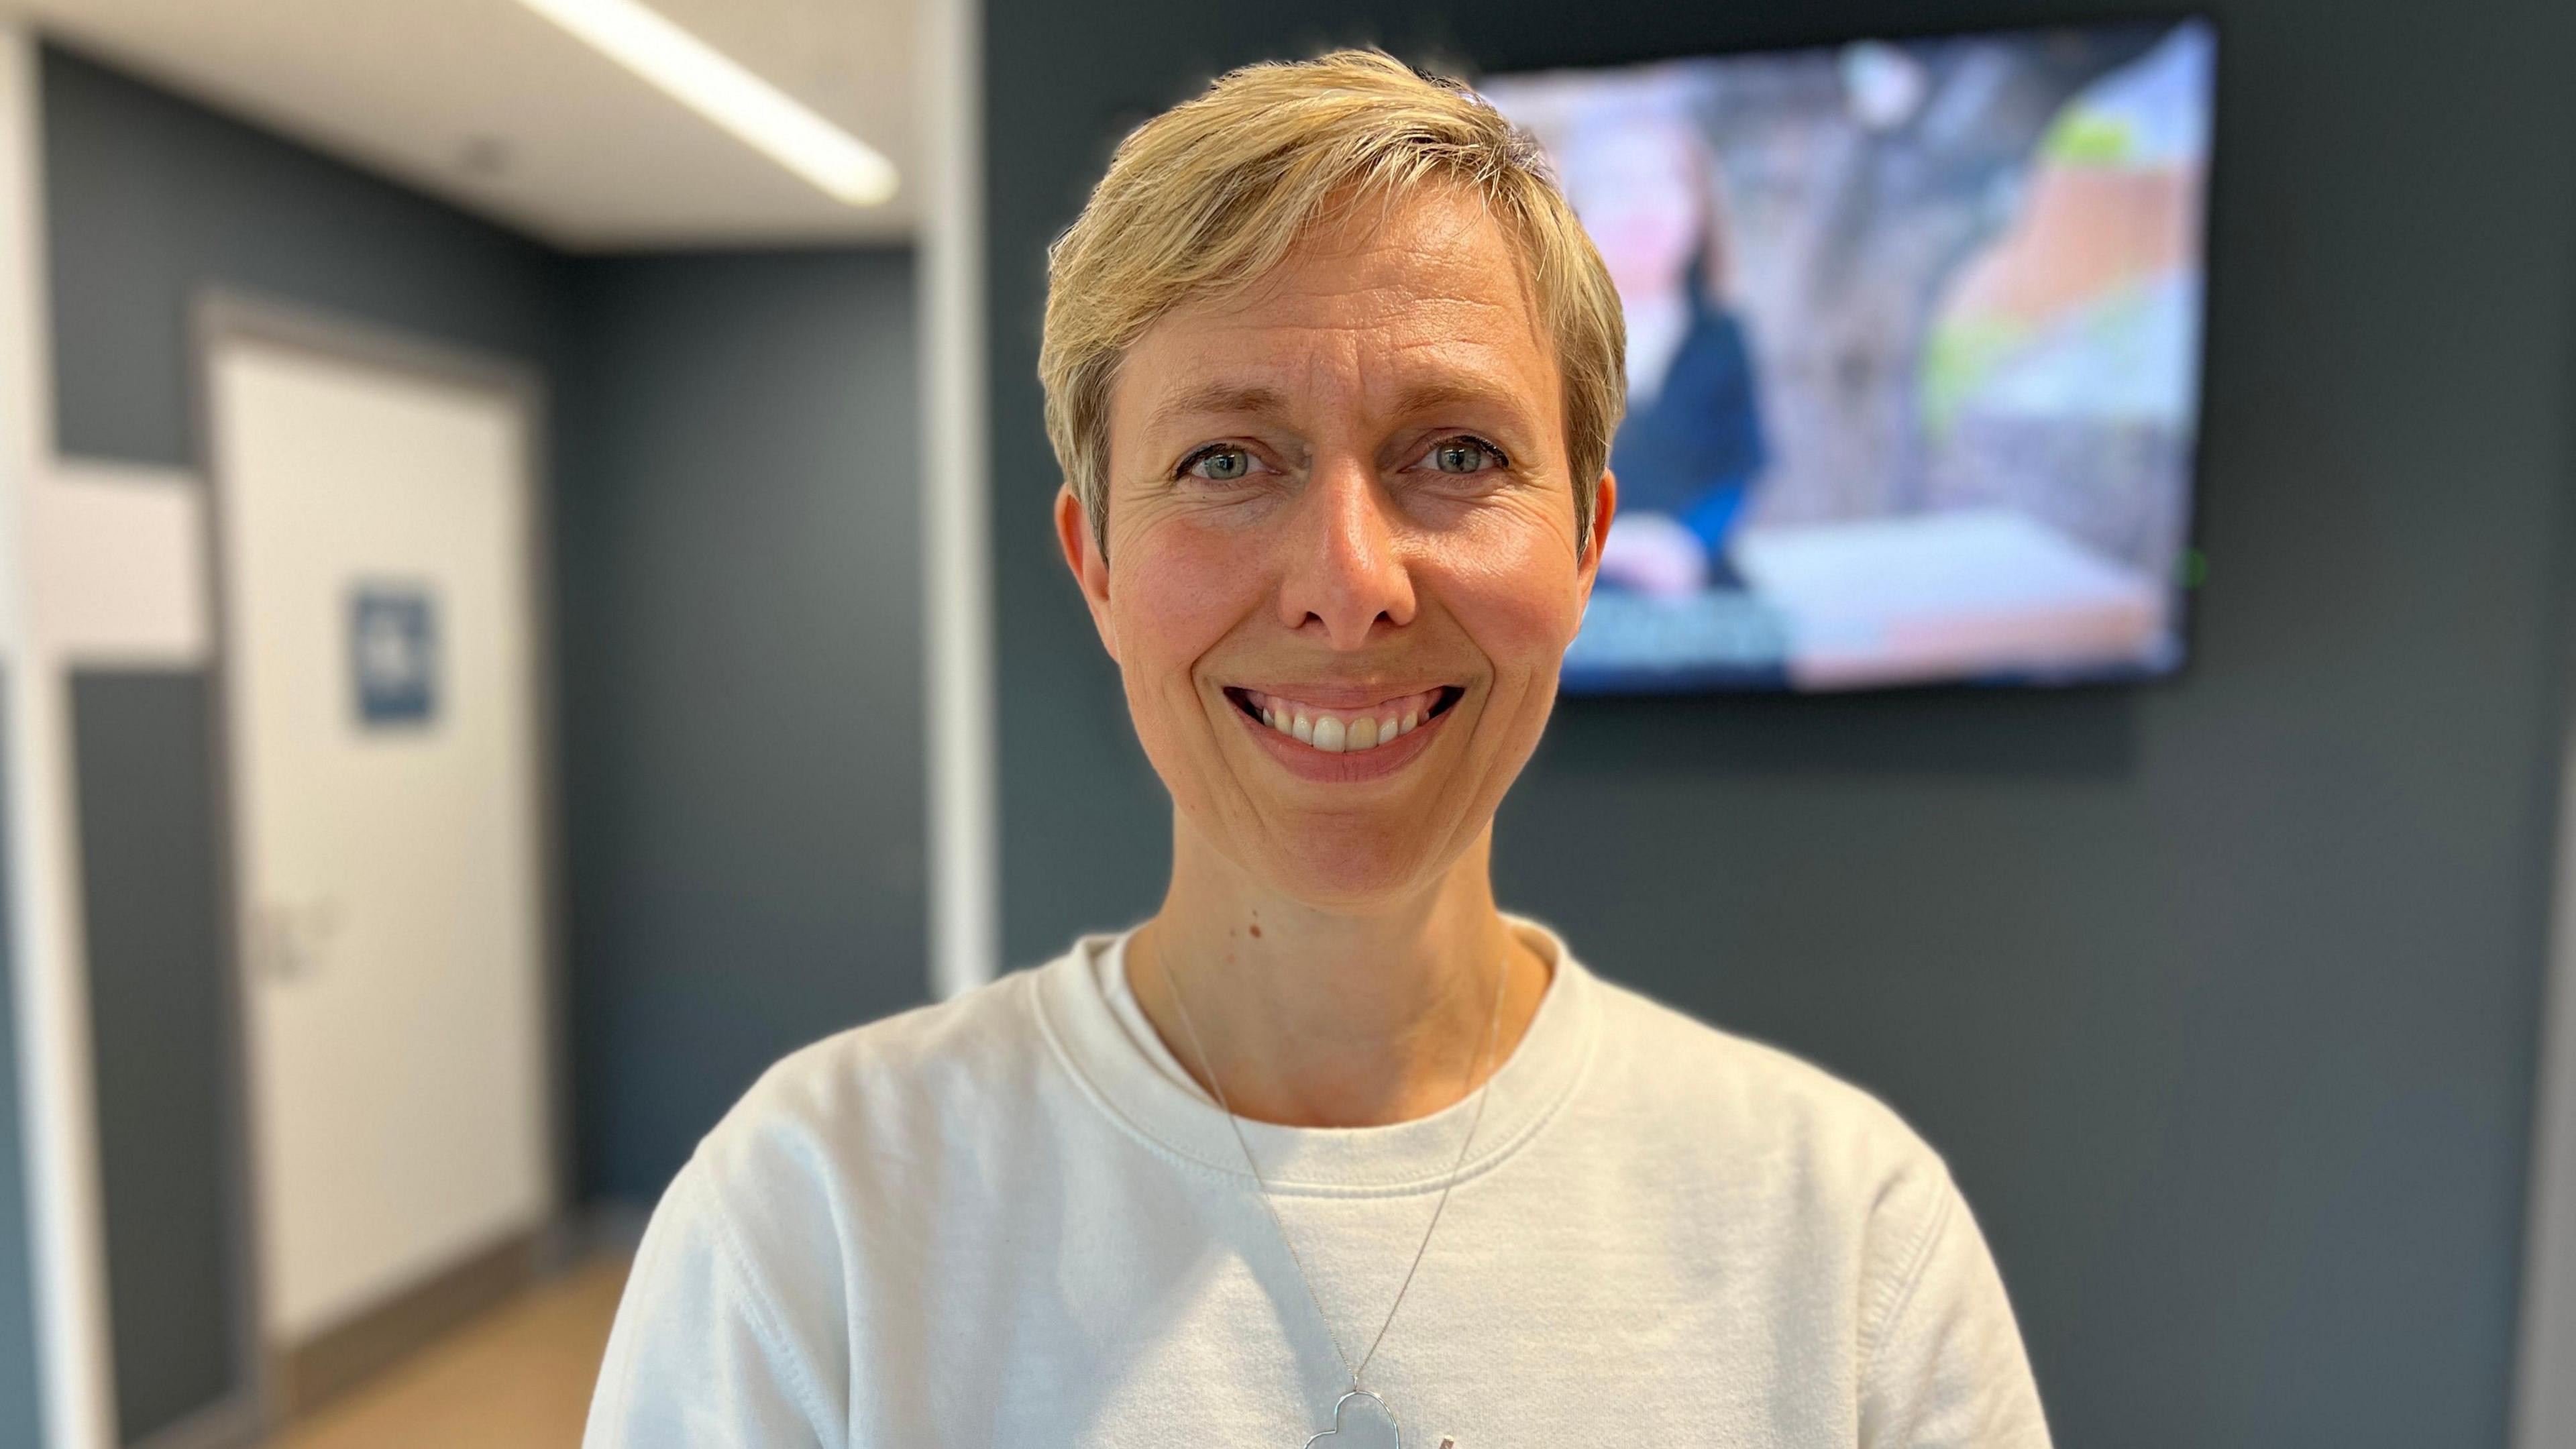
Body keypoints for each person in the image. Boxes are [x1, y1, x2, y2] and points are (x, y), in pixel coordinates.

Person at [583, 50, 2049, 1448]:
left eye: (1458, 454)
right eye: (1225, 461)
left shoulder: (1846, 1243)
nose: (1348, 584)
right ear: (1096, 563)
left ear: (1589, 542)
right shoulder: (818, 1222)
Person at [1568, 112, 1770, 598]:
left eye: (1665, 183)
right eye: (1618, 186)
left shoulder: (1723, 338)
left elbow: (1738, 468)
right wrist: (1619, 547)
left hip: (1696, 583)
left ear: (1700, 206)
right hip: (1578, 585)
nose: (1642, 207)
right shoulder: (1551, 341)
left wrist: (1687, 546)